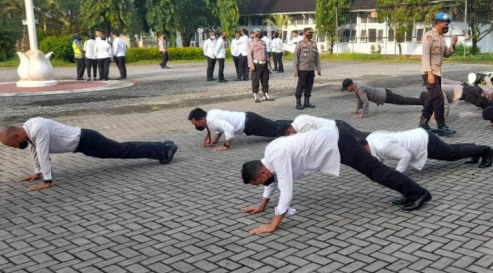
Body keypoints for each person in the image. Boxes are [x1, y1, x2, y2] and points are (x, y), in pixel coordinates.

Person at [240, 127, 433, 234]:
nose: (262, 185)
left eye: (258, 183)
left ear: (263, 173)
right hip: (335, 140)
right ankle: (410, 193)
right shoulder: (270, 156)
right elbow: (273, 182)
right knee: (376, 172)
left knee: (376, 171)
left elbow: (286, 192)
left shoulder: (277, 156)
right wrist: (261, 206)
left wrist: (272, 225)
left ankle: (419, 193)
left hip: (339, 142)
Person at [0, 118, 178, 192]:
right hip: (83, 143)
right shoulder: (29, 129)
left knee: (123, 150)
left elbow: (42, 152)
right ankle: (163, 147)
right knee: (122, 149)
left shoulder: (37, 128)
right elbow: (34, 149)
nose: (16, 148)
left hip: (87, 139)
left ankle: (164, 149)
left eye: (13, 145)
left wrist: (47, 181)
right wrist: (37, 172)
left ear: (17, 135)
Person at [362, 128, 493, 174]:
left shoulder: (381, 146)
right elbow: (379, 157)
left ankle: (486, 151)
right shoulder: (371, 138)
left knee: (452, 155)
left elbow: (405, 156)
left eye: (364, 153)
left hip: (424, 142)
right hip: (420, 137)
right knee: (451, 149)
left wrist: (398, 174)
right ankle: (475, 151)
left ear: (365, 147)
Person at [420, 12, 457, 136]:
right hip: (430, 73)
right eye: (445, 25)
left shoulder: (441, 38)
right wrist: (429, 74)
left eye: (447, 25)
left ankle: (423, 124)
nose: (446, 27)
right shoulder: (428, 36)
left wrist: (453, 44)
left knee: (431, 99)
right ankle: (441, 125)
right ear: (438, 23)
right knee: (439, 98)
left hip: (438, 73)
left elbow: (446, 54)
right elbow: (425, 56)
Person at [187, 108, 291, 151]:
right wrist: (215, 140)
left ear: (202, 119)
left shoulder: (212, 119)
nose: (196, 126)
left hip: (250, 123)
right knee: (274, 125)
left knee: (275, 130)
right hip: (249, 119)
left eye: (196, 123)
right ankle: (296, 123)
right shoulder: (210, 114)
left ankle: (297, 127)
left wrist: (226, 145)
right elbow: (220, 128)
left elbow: (228, 128)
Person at [341, 79, 422, 118]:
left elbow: (365, 101)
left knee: (404, 101)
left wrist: (363, 114)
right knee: (404, 100)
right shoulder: (356, 86)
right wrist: (357, 110)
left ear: (351, 85)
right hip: (384, 93)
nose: (346, 90)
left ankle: (423, 102)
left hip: (385, 96)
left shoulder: (359, 89)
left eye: (346, 88)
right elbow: (359, 99)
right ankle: (423, 102)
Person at [293, 27, 321, 110]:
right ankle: (298, 103)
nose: (310, 35)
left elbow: (317, 58)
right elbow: (295, 58)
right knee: (301, 85)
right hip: (302, 69)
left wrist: (318, 68)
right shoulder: (300, 44)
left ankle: (307, 102)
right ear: (304, 33)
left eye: (311, 33)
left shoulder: (314, 44)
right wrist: (295, 69)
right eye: (309, 33)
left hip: (311, 69)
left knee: (309, 85)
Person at [285, 114, 370, 141]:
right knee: (361, 136)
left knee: (361, 139)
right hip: (337, 124)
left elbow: (314, 139)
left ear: (289, 131)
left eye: (290, 135)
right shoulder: (297, 119)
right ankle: (377, 135)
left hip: (337, 129)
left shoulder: (303, 127)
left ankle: (378, 136)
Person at [248, 28, 273, 103]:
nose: (258, 34)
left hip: (264, 63)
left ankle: (265, 94)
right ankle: (255, 95)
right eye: (256, 32)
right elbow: (249, 55)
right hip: (256, 64)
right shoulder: (251, 44)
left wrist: (269, 64)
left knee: (265, 80)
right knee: (255, 81)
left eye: (259, 32)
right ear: (253, 34)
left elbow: (266, 53)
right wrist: (251, 65)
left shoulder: (263, 42)